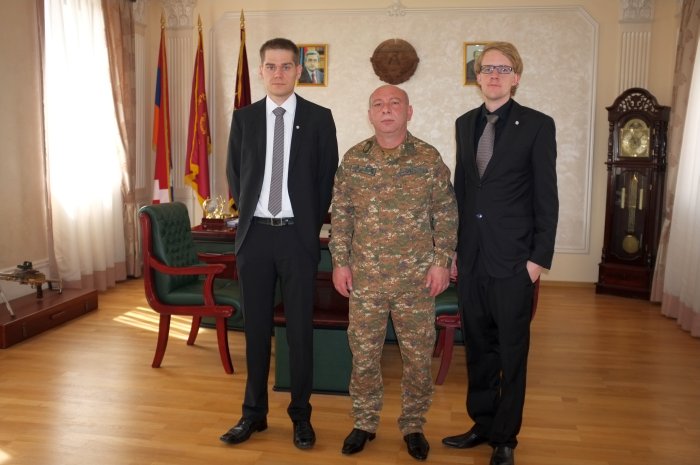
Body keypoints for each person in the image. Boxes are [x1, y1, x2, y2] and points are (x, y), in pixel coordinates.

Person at [442, 42, 558, 465]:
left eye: (503, 68)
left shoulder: (537, 125)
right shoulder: (465, 123)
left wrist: (537, 260)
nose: (494, 74)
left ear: (516, 77)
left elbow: (546, 196)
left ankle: (505, 438)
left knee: (512, 351)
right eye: (487, 68)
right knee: (478, 348)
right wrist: (455, 249)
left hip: (514, 261)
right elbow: (463, 189)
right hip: (472, 258)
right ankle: (483, 423)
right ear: (477, 77)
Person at [221, 37, 339, 450]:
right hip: (254, 237)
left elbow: (326, 179)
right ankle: (253, 414)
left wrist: (305, 227)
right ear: (260, 70)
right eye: (271, 66)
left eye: (286, 66)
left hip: (297, 238)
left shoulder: (319, 118)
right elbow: (236, 174)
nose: (278, 73)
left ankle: (301, 415)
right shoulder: (245, 118)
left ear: (298, 71)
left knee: (299, 331)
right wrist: (254, 217)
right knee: (255, 330)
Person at [329, 85, 458, 461]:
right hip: (365, 279)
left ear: (409, 112)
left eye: (394, 103)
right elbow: (342, 214)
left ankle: (414, 424)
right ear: (370, 114)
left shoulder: (428, 158)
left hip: (416, 281)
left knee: (417, 358)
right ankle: (364, 422)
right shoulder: (354, 159)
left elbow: (446, 213)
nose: (386, 110)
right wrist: (340, 262)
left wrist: (442, 261)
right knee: (364, 355)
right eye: (378, 104)